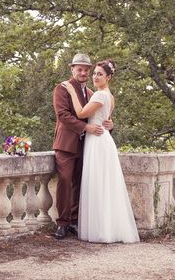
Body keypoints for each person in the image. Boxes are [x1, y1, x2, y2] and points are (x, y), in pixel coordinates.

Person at [61, 59, 139, 243]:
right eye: (94, 73)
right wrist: (110, 124)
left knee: (98, 185)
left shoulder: (99, 95)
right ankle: (106, 228)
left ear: (108, 77)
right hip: (102, 139)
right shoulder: (109, 96)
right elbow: (106, 119)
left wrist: (71, 91)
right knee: (103, 185)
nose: (95, 77)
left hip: (97, 141)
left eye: (99, 74)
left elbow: (80, 114)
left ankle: (101, 231)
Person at [52, 53, 113, 240]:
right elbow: (63, 115)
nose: (83, 72)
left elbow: (98, 115)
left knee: (81, 184)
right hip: (66, 144)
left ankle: (74, 221)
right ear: (72, 69)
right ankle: (62, 223)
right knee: (64, 180)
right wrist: (85, 127)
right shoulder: (62, 88)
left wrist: (110, 124)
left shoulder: (91, 93)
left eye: (86, 70)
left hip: (86, 145)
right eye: (79, 69)